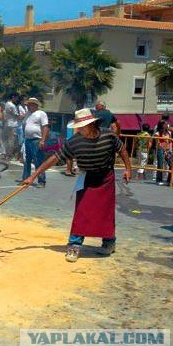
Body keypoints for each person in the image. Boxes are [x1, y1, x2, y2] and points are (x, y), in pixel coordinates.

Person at [22, 108, 132, 262]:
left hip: (106, 178)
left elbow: (122, 150)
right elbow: (54, 158)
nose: (79, 130)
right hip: (87, 178)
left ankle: (109, 242)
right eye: (78, 127)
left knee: (106, 212)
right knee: (81, 212)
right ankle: (74, 244)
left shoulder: (109, 136)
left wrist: (128, 168)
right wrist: (33, 175)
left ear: (92, 125)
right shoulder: (75, 141)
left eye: (82, 126)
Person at [21, 97, 49, 187]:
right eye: (28, 105)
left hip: (36, 140)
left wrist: (43, 140)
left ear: (35, 105)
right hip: (27, 140)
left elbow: (45, 127)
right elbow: (24, 125)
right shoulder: (28, 114)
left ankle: (41, 181)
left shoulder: (41, 113)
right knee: (27, 160)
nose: (28, 106)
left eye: (30, 104)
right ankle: (26, 178)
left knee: (38, 161)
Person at [153, 120, 173, 186]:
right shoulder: (157, 134)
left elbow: (170, 142)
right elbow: (158, 143)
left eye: (167, 124)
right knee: (160, 165)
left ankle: (169, 180)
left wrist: (170, 150)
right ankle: (159, 179)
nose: (167, 125)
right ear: (162, 125)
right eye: (165, 124)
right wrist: (164, 150)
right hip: (160, 150)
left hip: (168, 150)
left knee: (171, 164)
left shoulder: (169, 133)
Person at [3, 93, 20, 159]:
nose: (17, 99)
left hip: (7, 123)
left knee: (6, 140)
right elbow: (16, 115)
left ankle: (6, 154)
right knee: (11, 140)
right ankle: (9, 155)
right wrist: (24, 114)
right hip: (12, 124)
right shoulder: (12, 106)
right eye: (16, 98)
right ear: (13, 97)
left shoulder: (6, 104)